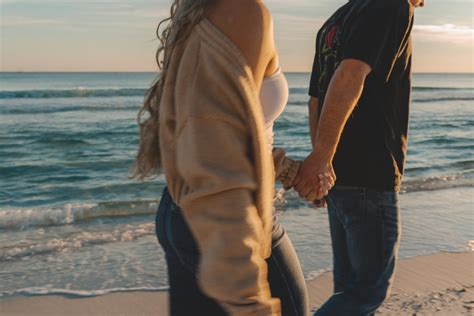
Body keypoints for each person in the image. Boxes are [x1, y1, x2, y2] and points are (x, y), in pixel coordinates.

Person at [134, 0, 332, 315]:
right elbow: (215, 156)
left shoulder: (207, 11)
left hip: (188, 211)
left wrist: (287, 170)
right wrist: (247, 299)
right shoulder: (243, 12)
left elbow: (233, 132)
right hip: (219, 220)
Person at [292, 0, 425, 315]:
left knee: (347, 290)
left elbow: (315, 99)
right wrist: (322, 159)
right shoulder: (393, 5)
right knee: (366, 292)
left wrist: (321, 165)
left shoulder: (336, 20)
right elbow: (350, 74)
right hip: (370, 173)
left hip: (340, 176)